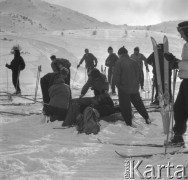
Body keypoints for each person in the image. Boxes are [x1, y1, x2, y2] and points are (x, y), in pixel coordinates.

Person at [164, 21, 188, 146]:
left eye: (182, 33)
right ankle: (178, 137)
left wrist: (177, 63)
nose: (181, 36)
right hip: (186, 81)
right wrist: (175, 60)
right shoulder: (186, 45)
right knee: (179, 109)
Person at [113, 46, 151, 126]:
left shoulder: (119, 62)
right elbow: (140, 75)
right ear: (126, 53)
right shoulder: (134, 62)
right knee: (139, 104)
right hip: (134, 88)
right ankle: (146, 117)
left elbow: (116, 77)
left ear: (120, 54)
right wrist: (139, 84)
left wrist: (119, 86)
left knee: (125, 107)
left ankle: (128, 123)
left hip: (124, 89)